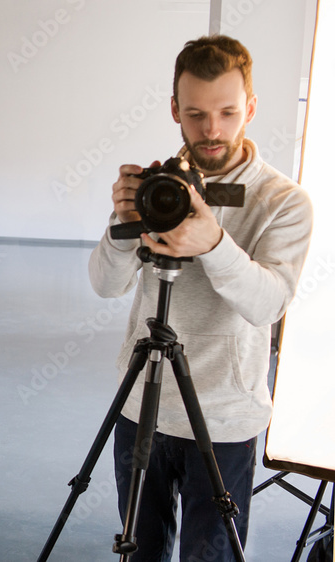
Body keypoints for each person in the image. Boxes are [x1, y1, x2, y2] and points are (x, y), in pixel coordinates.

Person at [89, 35, 313, 561]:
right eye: (195, 114)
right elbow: (105, 284)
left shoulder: (283, 201)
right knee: (138, 552)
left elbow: (268, 304)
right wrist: (122, 224)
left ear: (251, 108)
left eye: (228, 112)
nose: (212, 130)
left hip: (224, 417)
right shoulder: (157, 187)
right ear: (174, 110)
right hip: (141, 405)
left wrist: (214, 244)